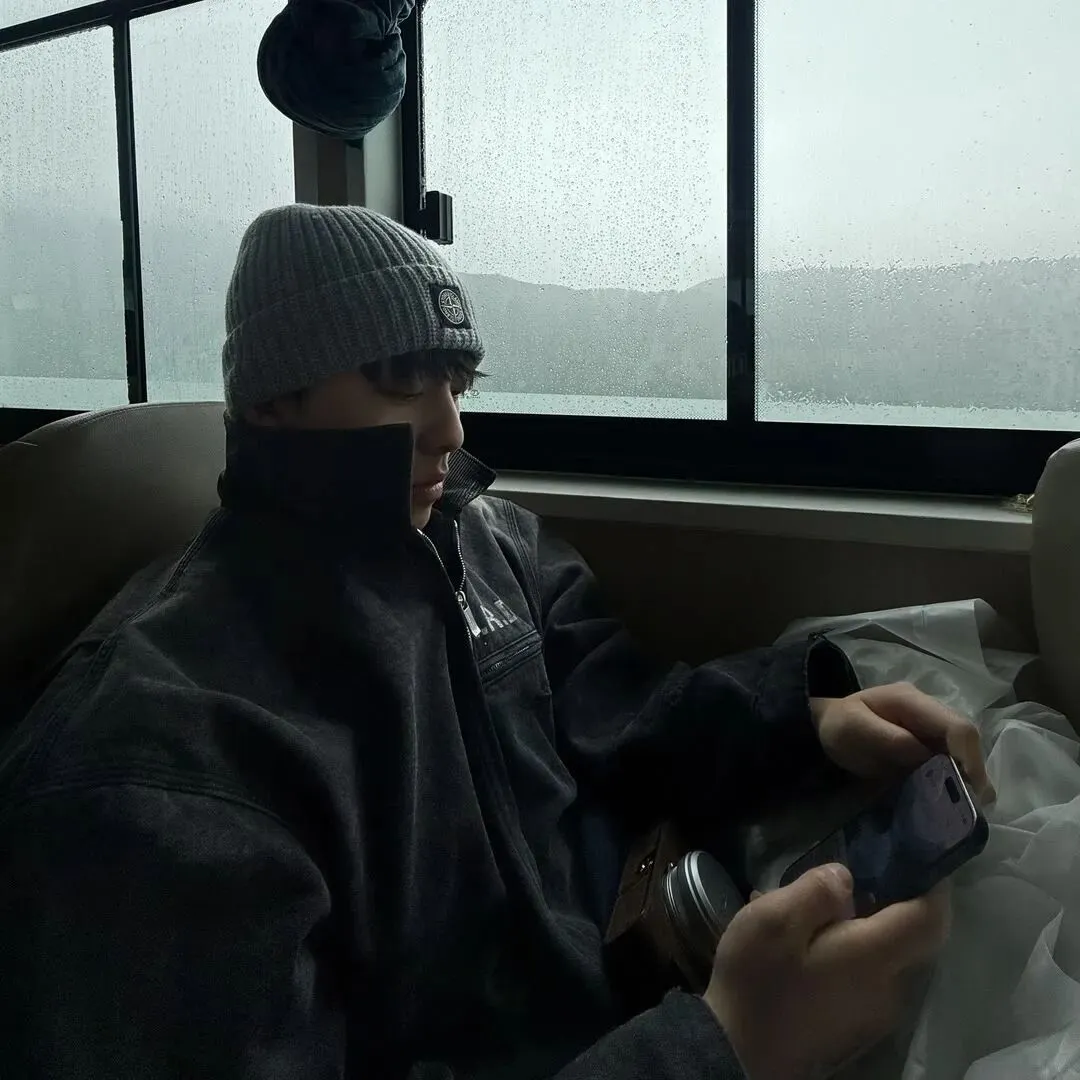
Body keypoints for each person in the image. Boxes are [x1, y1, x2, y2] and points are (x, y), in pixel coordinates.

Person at [0, 205, 994, 1080]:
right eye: (401, 379)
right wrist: (725, 1050)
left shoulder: (484, 538)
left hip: (639, 988)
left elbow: (616, 705)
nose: (450, 428)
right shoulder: (154, 762)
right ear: (270, 398)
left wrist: (808, 721)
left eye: (456, 378)